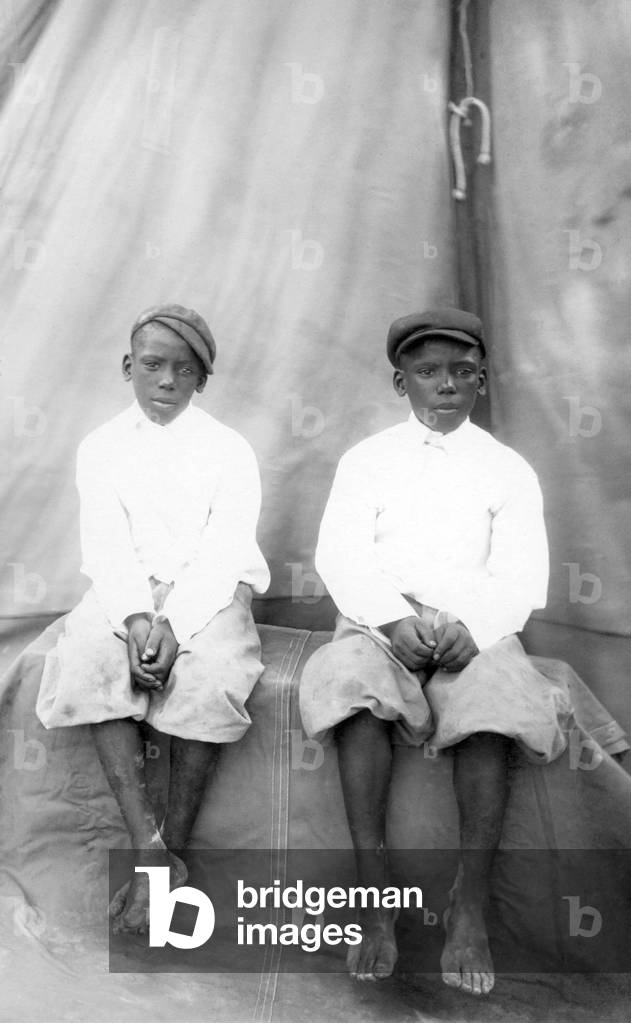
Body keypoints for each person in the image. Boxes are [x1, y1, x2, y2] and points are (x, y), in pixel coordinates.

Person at [299, 308, 572, 996]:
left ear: (479, 379)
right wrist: (391, 619)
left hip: (469, 626)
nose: (445, 384)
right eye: (427, 372)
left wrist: (475, 628)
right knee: (352, 691)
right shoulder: (366, 461)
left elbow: (519, 573)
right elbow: (340, 554)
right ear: (401, 381)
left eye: (461, 371)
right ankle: (374, 895)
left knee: (492, 709)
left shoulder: (506, 468)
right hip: (377, 622)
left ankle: (469, 902)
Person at [36, 303, 270, 934]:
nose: (167, 381)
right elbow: (107, 548)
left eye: (184, 370)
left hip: (211, 591)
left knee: (209, 675)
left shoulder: (229, 450)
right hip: (125, 592)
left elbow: (224, 551)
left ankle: (176, 849)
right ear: (127, 367)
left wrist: (175, 623)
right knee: (85, 657)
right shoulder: (101, 447)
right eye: (153, 366)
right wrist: (138, 615)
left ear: (202, 380)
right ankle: (149, 850)